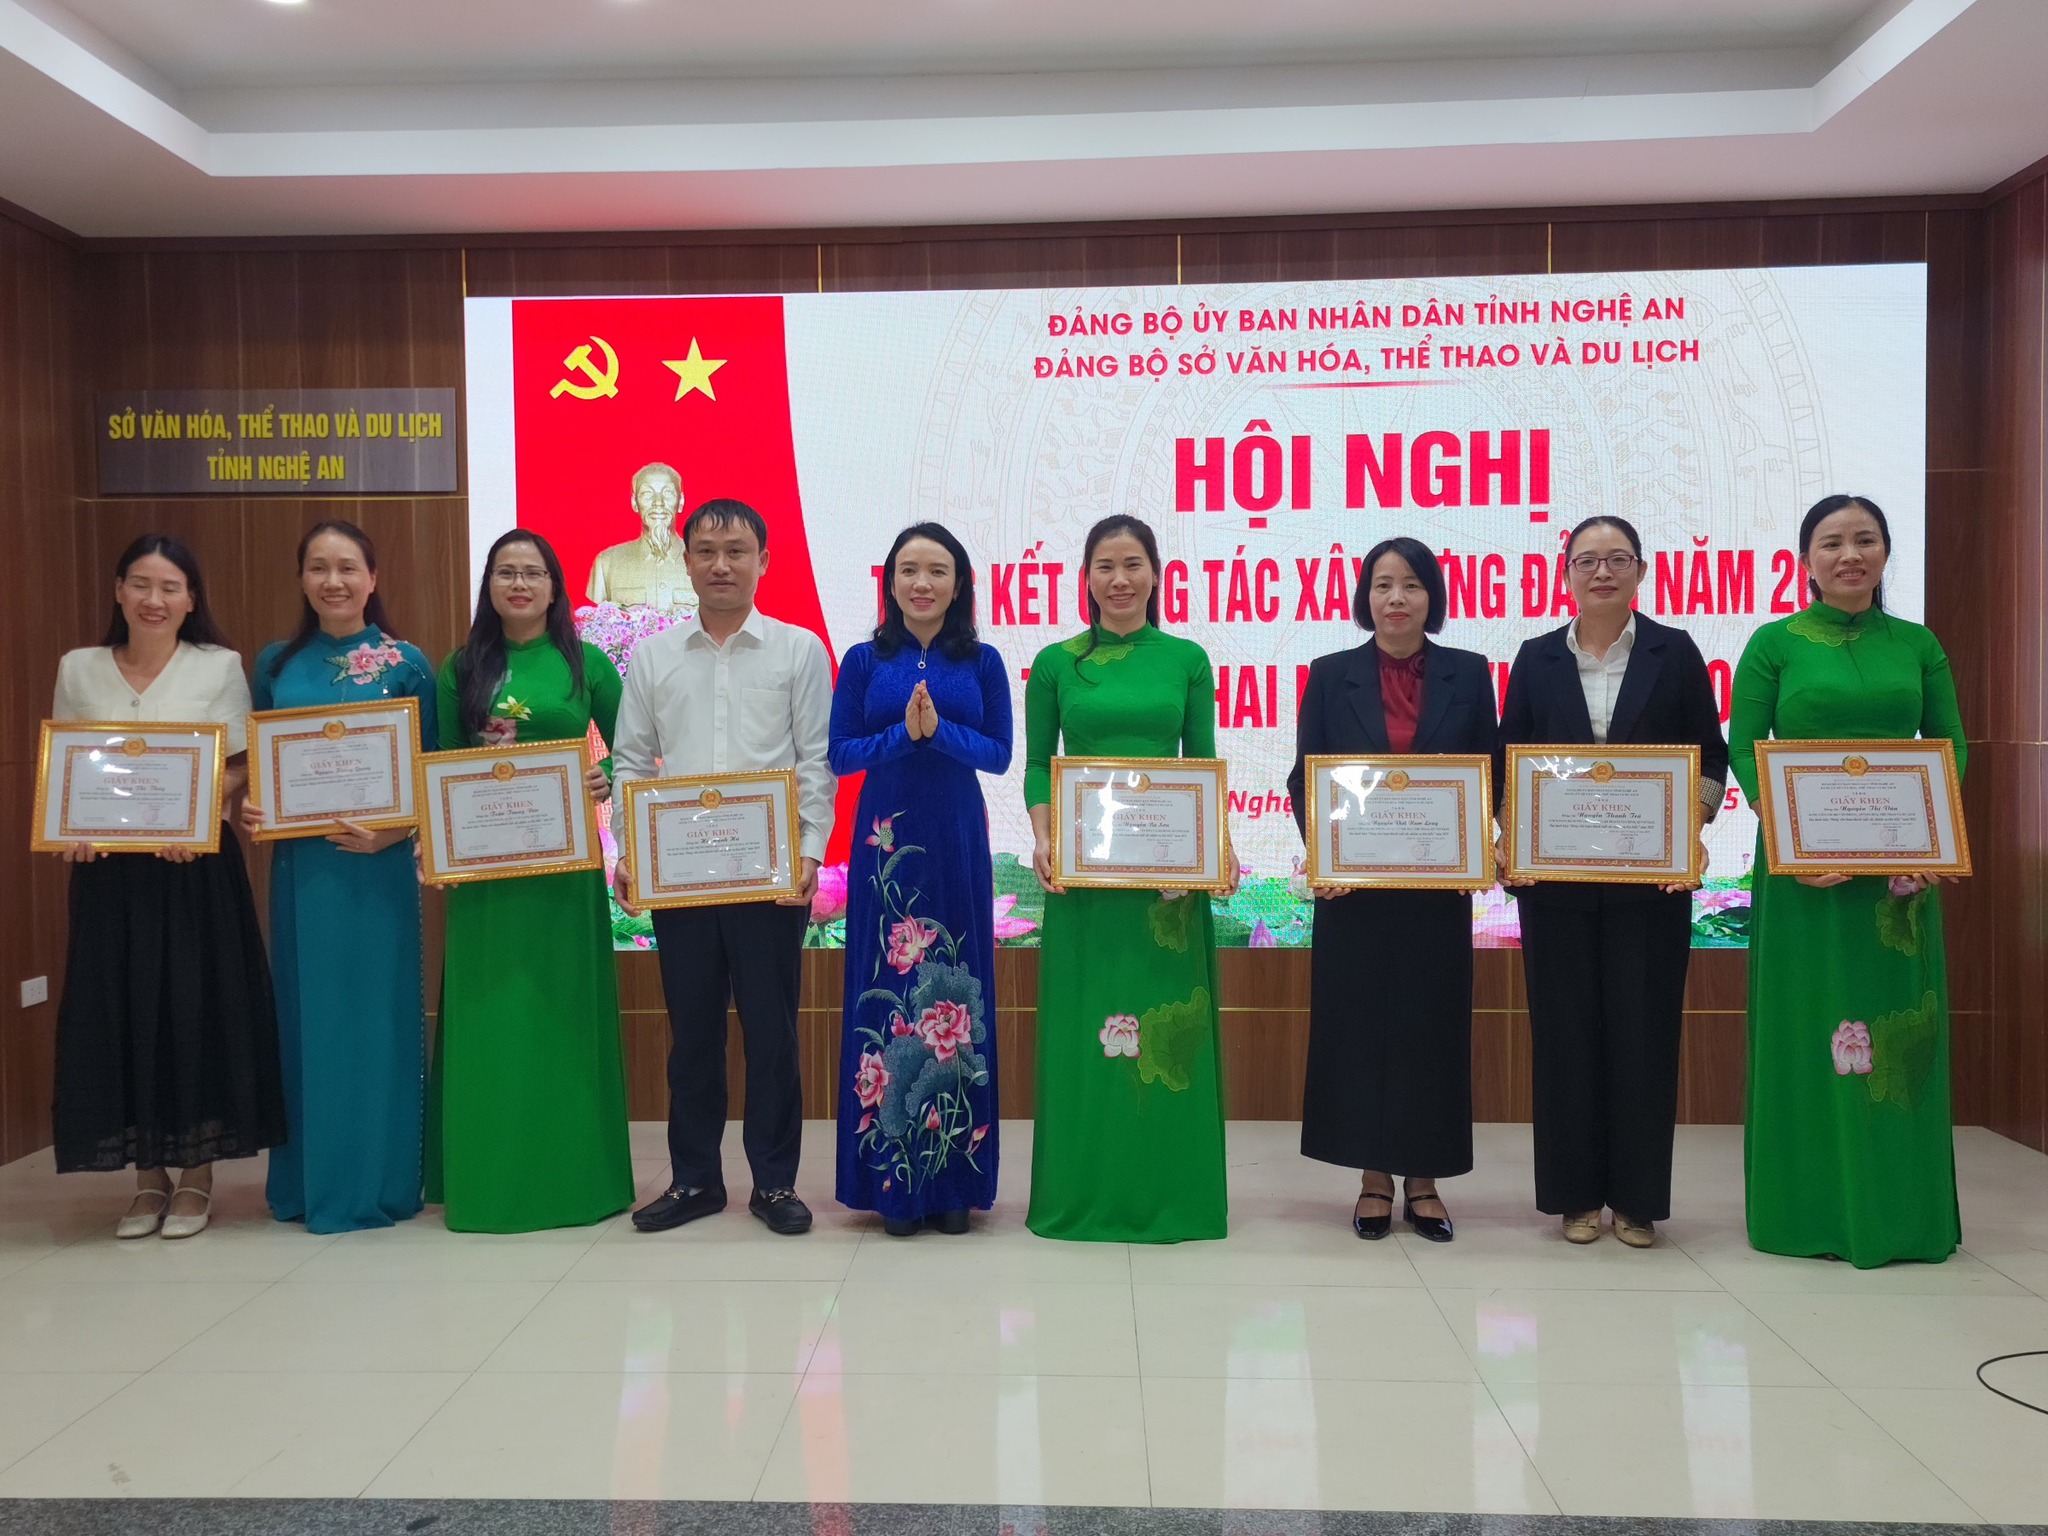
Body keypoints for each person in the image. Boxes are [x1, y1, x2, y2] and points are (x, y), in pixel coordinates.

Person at [1731, 495, 1964, 1267]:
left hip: (1899, 882)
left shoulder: (1919, 645)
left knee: (1901, 1038)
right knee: (1810, 1029)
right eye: (1831, 542)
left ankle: (1901, 1215)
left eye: (1865, 540)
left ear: (1886, 553)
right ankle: (1805, 1213)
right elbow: (1744, 749)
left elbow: (1950, 744)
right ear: (1806, 559)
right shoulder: (1774, 643)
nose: (1849, 555)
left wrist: (1931, 840)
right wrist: (1789, 841)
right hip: (1806, 878)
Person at [49, 535, 286, 1240]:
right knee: (121, 1012)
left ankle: (195, 1177)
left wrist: (202, 811)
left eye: (170, 587)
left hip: (192, 871)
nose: (154, 600)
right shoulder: (79, 668)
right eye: (141, 584)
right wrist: (72, 825)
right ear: (119, 591)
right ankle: (146, 1180)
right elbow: (67, 764)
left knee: (193, 1011)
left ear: (191, 599)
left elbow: (242, 763)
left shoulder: (218, 665)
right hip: (109, 875)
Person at [1498, 515, 1726, 1247]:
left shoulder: (1674, 651)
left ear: (1640, 571)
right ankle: (1573, 1198)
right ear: (1565, 573)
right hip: (1555, 886)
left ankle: (1636, 1199)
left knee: (1644, 1036)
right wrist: (1507, 836)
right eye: (1587, 560)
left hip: (1649, 887)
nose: (1602, 571)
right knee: (1564, 1037)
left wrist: (1688, 831)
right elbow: (1509, 761)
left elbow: (1710, 757)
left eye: (1618, 558)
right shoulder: (1536, 658)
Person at [613, 499, 834, 1236]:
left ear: (763, 561)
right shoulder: (653, 657)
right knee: (693, 1035)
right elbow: (630, 761)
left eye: (736, 551)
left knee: (772, 1036)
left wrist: (808, 852)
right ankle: (695, 1181)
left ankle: (774, 1183)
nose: (721, 565)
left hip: (769, 877)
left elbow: (815, 761)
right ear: (686, 562)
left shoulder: (798, 650)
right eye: (706, 551)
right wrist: (631, 853)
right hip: (680, 878)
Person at [1023, 514, 1236, 1243]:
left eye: (1133, 564)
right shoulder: (1056, 662)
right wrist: (1045, 838)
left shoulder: (1187, 659)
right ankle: (1084, 1192)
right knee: (1090, 1033)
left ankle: (1172, 1196)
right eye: (1105, 566)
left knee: (1167, 1039)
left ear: (1155, 573)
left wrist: (1220, 848)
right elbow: (1037, 765)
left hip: (1164, 889)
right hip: (1084, 884)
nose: (1120, 579)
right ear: (1086, 577)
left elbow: (1202, 765)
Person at [1286, 537, 1498, 1243]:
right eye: (1382, 584)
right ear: (1365, 596)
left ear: (1432, 595)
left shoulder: (1469, 673)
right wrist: (1326, 852)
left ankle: (1425, 1181)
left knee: (1430, 1030)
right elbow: (1305, 777)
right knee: (1359, 1030)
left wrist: (1487, 839)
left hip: (1438, 890)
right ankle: (1374, 1177)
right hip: (1355, 892)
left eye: (1411, 584)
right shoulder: (1330, 674)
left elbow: (1490, 772)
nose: (1396, 598)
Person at [425, 530, 633, 1233]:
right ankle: (487, 1179)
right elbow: (441, 762)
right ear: (489, 585)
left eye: (533, 572)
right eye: (506, 572)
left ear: (554, 587)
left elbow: (636, 751)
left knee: (562, 1017)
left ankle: (578, 1179)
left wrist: (608, 774)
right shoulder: (460, 668)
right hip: (487, 875)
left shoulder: (587, 663)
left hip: (563, 874)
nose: (519, 584)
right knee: (493, 1019)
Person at [244, 520, 437, 1234]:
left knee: (375, 1019)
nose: (334, 581)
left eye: (348, 567)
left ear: (372, 578)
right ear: (302, 578)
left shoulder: (408, 665)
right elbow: (255, 764)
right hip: (303, 873)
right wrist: (252, 802)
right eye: (319, 567)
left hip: (376, 871)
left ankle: (380, 1182)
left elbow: (433, 773)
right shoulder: (275, 663)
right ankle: (307, 1183)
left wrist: (396, 830)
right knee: (309, 1021)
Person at [829, 522, 1011, 1236]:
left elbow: (998, 754)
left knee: (956, 996)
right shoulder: (864, 660)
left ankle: (953, 1182)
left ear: (959, 583)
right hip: (887, 841)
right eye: (909, 569)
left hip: (956, 838)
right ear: (891, 581)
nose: (922, 583)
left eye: (937, 570)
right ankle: (893, 1183)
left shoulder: (983, 660)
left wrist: (940, 733)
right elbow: (841, 754)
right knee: (887, 994)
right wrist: (903, 736)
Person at [586, 461, 698, 616]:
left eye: (668, 493)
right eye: (647, 494)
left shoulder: (706, 562)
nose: (658, 503)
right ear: (634, 503)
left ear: (681, 502)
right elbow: (596, 622)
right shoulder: (607, 563)